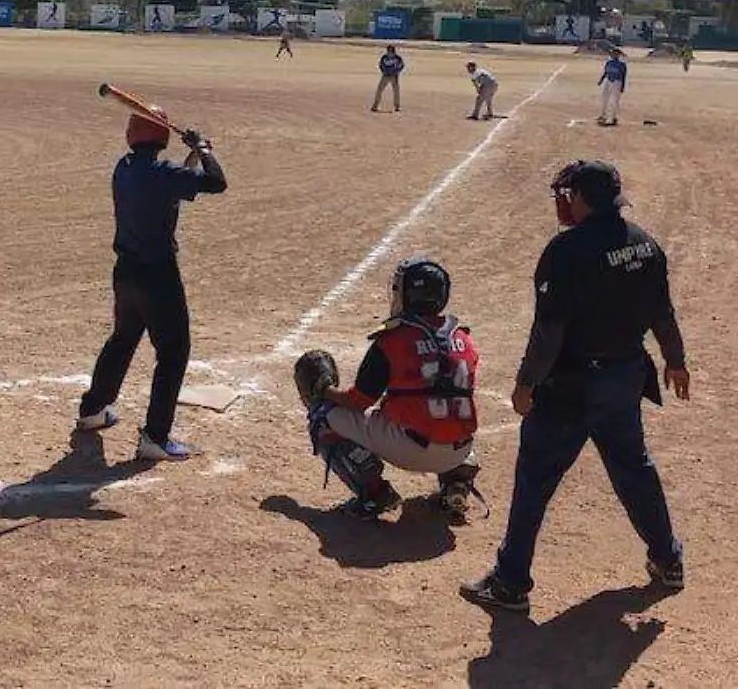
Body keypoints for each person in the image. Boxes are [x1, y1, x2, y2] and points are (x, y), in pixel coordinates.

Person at [461, 161, 690, 614]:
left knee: (535, 479)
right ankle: (668, 560)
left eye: (568, 194)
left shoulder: (566, 251)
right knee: (634, 470)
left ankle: (510, 582)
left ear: (582, 197)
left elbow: (550, 329)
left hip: (571, 385)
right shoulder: (644, 244)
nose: (562, 202)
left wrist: (527, 382)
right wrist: (675, 360)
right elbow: (662, 311)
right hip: (624, 377)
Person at [76, 107, 228, 462]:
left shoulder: (124, 169)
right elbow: (216, 182)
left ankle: (92, 411)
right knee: (174, 352)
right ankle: (155, 437)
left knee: (123, 339)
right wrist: (203, 150)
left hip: (126, 273)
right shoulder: (164, 174)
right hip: (158, 275)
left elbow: (173, 184)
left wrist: (191, 154)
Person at [291, 257, 483, 522]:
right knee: (449, 408)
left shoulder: (392, 339)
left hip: (409, 450)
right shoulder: (463, 338)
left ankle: (374, 494)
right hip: (461, 450)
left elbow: (358, 402)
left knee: (323, 414)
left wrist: (325, 391)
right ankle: (456, 484)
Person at [596, 47, 627, 126]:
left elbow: (623, 76)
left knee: (614, 100)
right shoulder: (609, 62)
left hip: (617, 82)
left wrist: (622, 86)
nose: (612, 55)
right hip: (608, 81)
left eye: (614, 54)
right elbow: (605, 72)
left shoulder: (621, 65)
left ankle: (611, 118)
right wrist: (601, 80)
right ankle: (602, 115)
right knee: (604, 98)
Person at [371, 46, 405, 113]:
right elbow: (380, 65)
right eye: (388, 51)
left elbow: (402, 65)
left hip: (394, 76)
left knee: (396, 92)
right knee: (379, 90)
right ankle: (375, 105)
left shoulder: (397, 58)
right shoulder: (384, 57)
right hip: (385, 76)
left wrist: (397, 71)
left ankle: (397, 106)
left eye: (390, 51)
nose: (389, 53)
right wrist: (383, 71)